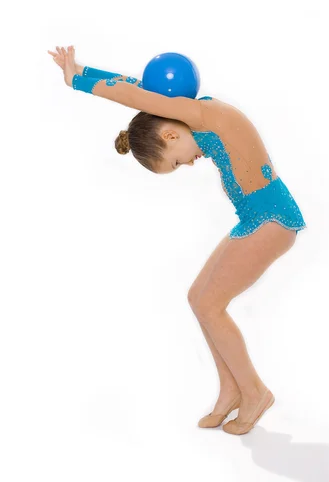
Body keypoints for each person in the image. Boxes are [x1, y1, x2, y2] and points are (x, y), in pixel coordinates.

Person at [48, 45, 307, 435]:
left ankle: (255, 392)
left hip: (272, 218)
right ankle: (230, 390)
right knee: (198, 298)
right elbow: (137, 86)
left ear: (170, 132)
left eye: (176, 161)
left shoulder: (205, 115)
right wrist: (81, 68)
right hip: (256, 217)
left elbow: (135, 95)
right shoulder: (197, 117)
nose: (187, 164)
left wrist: (77, 84)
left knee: (211, 304)